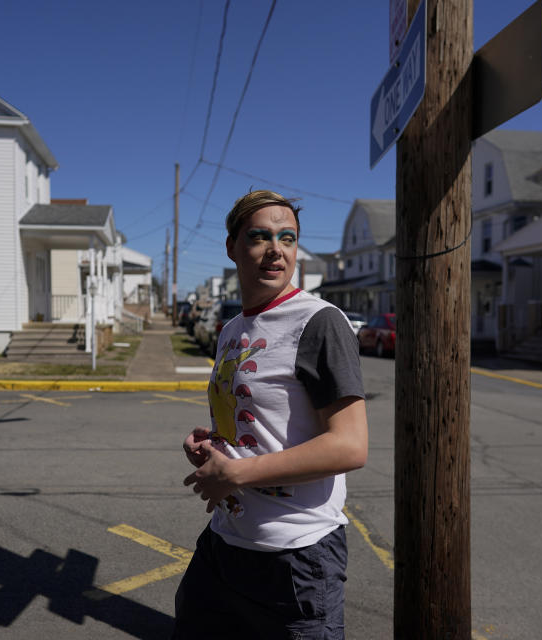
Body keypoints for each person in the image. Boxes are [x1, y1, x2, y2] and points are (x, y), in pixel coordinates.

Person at [172, 190, 368, 639]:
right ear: (232, 247)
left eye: (287, 238)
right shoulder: (231, 330)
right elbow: (252, 429)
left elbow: (350, 445)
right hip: (225, 542)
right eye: (260, 237)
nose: (275, 249)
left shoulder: (319, 323)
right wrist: (212, 449)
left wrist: (236, 475)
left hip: (296, 558)